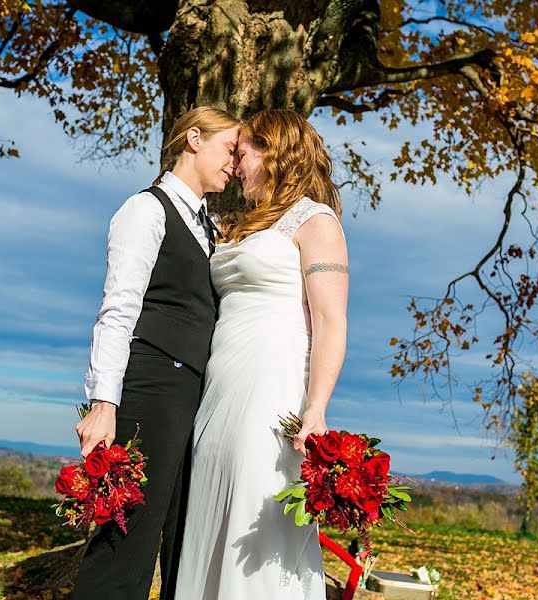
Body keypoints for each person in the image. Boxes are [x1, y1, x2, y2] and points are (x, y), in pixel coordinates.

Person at [175, 108, 349, 599]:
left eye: (244, 152)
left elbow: (331, 321)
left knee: (256, 513)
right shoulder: (242, 223)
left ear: (274, 153)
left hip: (272, 386)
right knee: (213, 509)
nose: (236, 166)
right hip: (220, 388)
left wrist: (315, 408)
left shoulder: (316, 221)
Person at [72, 106, 240, 600]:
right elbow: (117, 310)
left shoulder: (209, 225)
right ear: (193, 138)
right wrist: (104, 405)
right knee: (130, 533)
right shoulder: (145, 210)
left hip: (193, 393)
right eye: (230, 148)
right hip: (152, 385)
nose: (236, 163)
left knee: (183, 537)